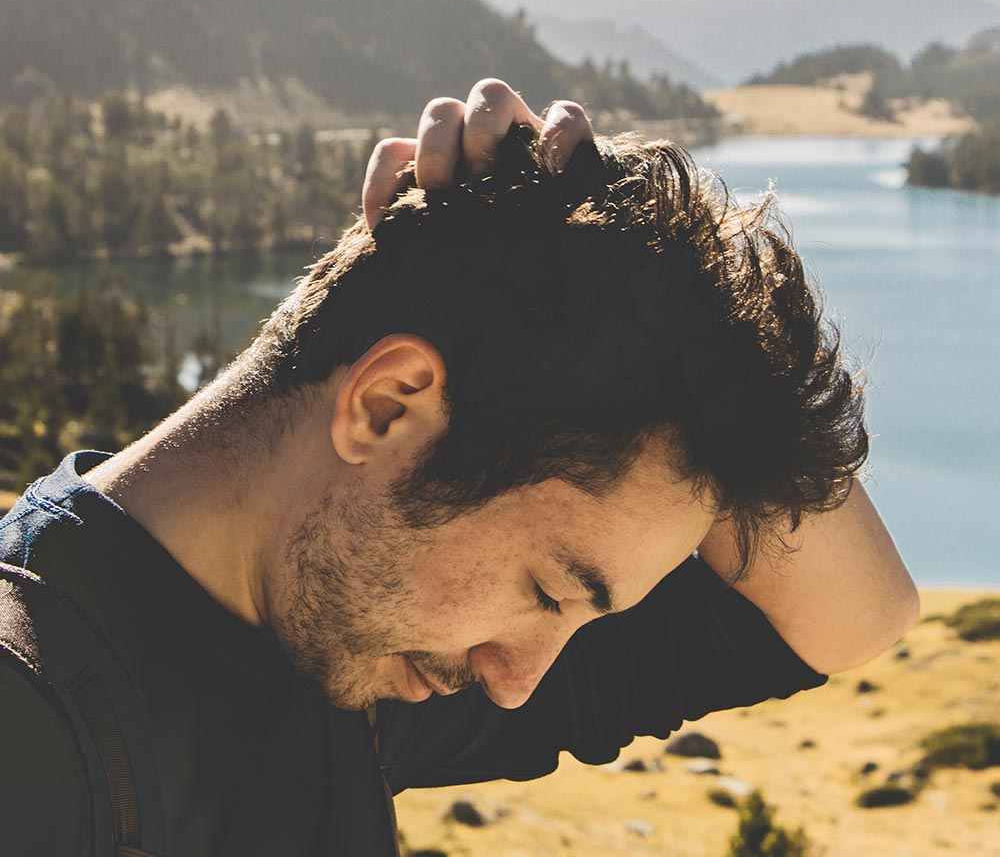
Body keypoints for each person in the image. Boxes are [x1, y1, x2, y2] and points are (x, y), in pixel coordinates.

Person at [0, 79, 918, 856]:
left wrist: (656, 287)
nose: (519, 680)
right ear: (386, 405)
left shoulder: (348, 647)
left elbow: (856, 615)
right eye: (551, 589)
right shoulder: (30, 721)